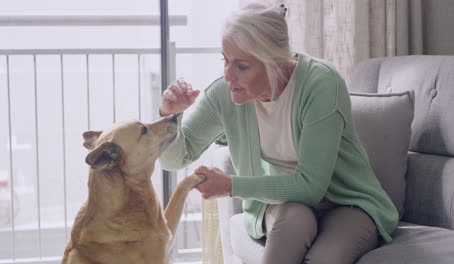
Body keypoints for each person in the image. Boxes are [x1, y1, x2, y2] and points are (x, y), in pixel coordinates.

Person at [158, 2, 398, 264]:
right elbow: (173, 160)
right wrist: (171, 116)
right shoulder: (225, 95)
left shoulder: (320, 84)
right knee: (293, 220)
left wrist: (231, 185)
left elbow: (310, 187)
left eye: (242, 66)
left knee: (325, 258)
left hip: (347, 203)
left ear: (273, 61)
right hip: (283, 203)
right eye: (225, 61)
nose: (228, 75)